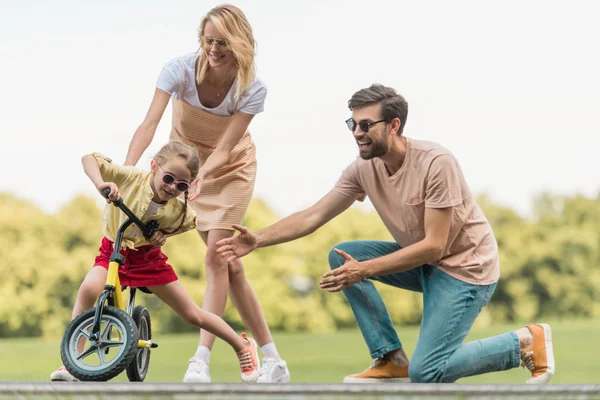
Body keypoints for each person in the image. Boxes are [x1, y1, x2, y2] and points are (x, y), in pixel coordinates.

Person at [216, 84, 555, 384]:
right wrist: (258, 239)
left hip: (466, 270)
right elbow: (314, 215)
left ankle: (525, 342)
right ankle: (391, 358)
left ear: (394, 125)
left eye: (366, 125)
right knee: (341, 255)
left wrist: (363, 270)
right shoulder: (363, 168)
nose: (357, 132)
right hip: (425, 262)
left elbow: (435, 247)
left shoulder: (436, 163)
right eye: (352, 124)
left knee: (428, 373)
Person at [122, 4, 289, 383]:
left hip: (230, 170)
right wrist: (130, 173)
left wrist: (204, 177)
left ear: (240, 42)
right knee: (231, 266)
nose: (213, 49)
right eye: (208, 41)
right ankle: (273, 359)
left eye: (223, 42)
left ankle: (200, 360)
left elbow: (227, 149)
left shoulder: (251, 87)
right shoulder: (178, 70)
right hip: (185, 170)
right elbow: (149, 125)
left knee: (216, 256)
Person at [50, 141, 260, 383]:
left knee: (192, 314)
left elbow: (188, 223)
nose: (172, 187)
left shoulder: (179, 210)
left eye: (182, 185)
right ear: (154, 166)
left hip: (146, 258)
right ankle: (72, 361)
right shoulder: (130, 178)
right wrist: (101, 185)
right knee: (88, 289)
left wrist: (163, 236)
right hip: (113, 249)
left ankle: (242, 345)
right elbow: (89, 159)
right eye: (168, 178)